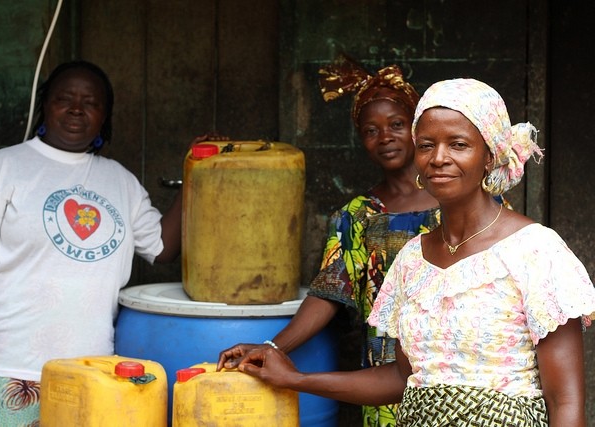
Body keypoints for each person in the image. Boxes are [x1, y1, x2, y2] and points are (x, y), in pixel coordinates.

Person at [233, 78, 595, 426]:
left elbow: (565, 402)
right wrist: (295, 378)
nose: (438, 158)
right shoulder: (411, 261)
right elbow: (401, 378)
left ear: (489, 156)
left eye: (458, 144)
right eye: (426, 145)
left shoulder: (535, 250)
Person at [0, 60, 219, 426]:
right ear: (46, 105)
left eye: (91, 102)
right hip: (3, 365)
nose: (77, 108)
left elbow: (162, 247)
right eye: (65, 98)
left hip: (92, 372)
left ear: (104, 116)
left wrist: (194, 170)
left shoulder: (120, 182)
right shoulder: (4, 167)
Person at [218, 55, 440, 426]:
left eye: (397, 125)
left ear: (418, 128)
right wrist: (272, 347)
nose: (385, 137)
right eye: (371, 130)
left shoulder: (461, 200)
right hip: (386, 383)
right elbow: (328, 293)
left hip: (463, 372)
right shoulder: (357, 216)